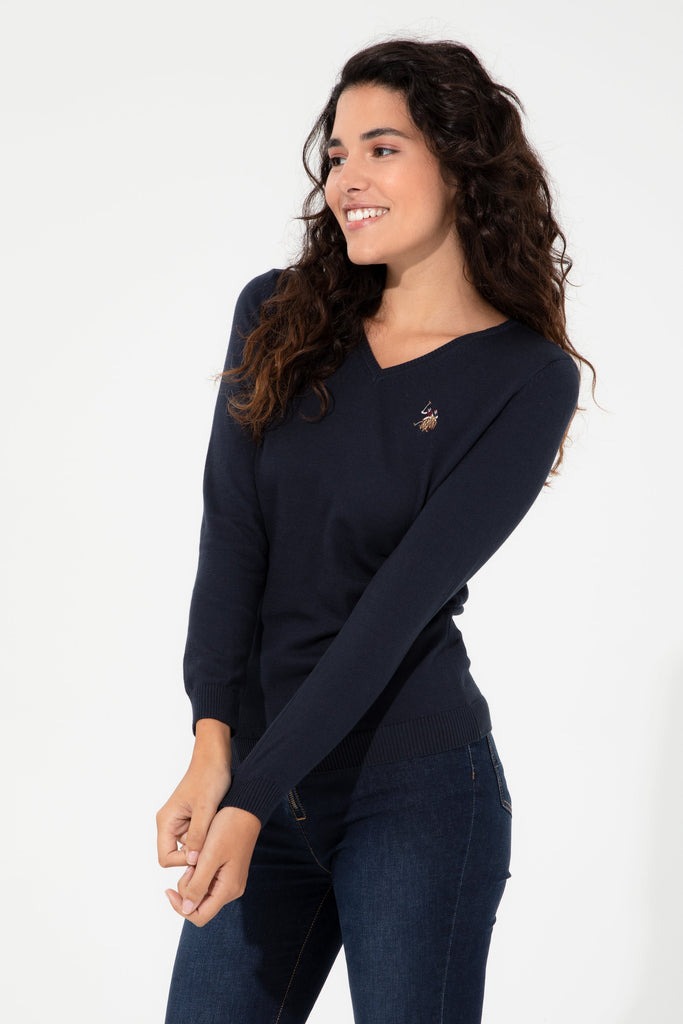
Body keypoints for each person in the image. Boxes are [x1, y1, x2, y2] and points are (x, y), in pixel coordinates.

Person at [156, 37, 594, 1024]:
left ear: (460, 164)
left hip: (413, 794)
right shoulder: (277, 314)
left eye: (381, 149)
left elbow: (391, 614)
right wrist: (212, 740)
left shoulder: (524, 379)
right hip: (257, 778)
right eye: (337, 153)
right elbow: (231, 539)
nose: (345, 177)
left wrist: (248, 793)